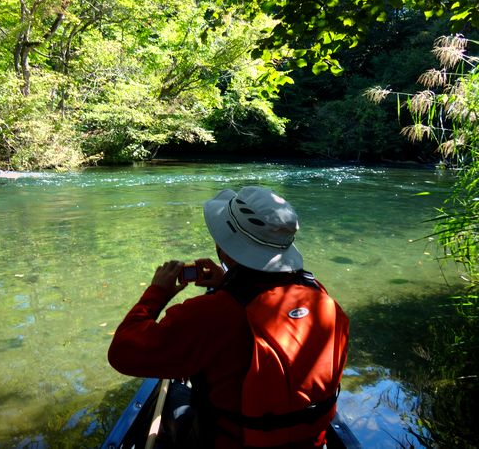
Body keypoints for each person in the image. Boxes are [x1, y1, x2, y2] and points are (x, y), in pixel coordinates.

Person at [108, 186, 349, 449]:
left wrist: (157, 292)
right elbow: (261, 307)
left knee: (174, 394)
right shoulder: (318, 294)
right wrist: (227, 284)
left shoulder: (207, 314)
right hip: (310, 442)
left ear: (223, 247)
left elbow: (122, 352)